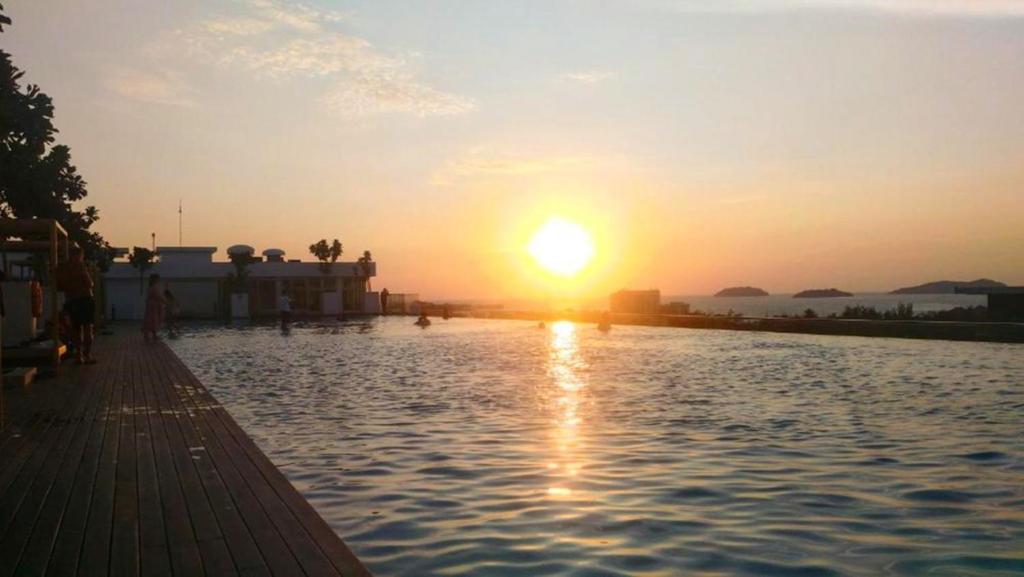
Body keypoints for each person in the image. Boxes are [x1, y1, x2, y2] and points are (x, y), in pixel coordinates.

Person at [56, 246, 96, 364]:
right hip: (84, 299)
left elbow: (59, 286)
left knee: (75, 329)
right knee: (88, 329)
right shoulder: (80, 266)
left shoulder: (62, 268)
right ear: (79, 255)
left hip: (71, 300)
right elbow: (89, 284)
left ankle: (78, 355)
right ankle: (87, 355)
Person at [142, 273, 166, 341]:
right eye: (158, 278)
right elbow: (158, 296)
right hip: (153, 307)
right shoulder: (154, 287)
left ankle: (150, 335)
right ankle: (150, 335)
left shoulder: (151, 287)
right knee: (153, 320)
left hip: (151, 306)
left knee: (150, 320)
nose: (159, 280)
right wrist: (165, 301)